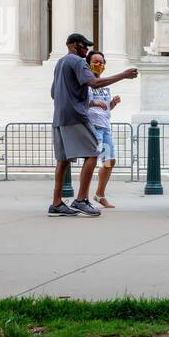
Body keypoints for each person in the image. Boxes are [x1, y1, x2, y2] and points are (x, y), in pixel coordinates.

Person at [49, 33, 137, 217]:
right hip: (76, 116)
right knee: (93, 153)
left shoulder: (60, 64)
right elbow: (94, 82)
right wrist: (123, 75)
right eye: (84, 45)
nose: (86, 49)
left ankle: (56, 203)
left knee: (63, 160)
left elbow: (53, 93)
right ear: (72, 45)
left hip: (59, 116)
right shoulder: (78, 62)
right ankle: (81, 200)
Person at [85, 50, 121, 209]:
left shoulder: (105, 86)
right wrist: (94, 103)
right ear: (88, 63)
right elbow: (79, 103)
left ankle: (100, 194)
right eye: (95, 62)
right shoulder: (86, 83)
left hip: (105, 127)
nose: (99, 65)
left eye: (101, 62)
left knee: (109, 161)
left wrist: (112, 103)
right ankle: (82, 198)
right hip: (92, 127)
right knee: (91, 161)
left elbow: (106, 108)